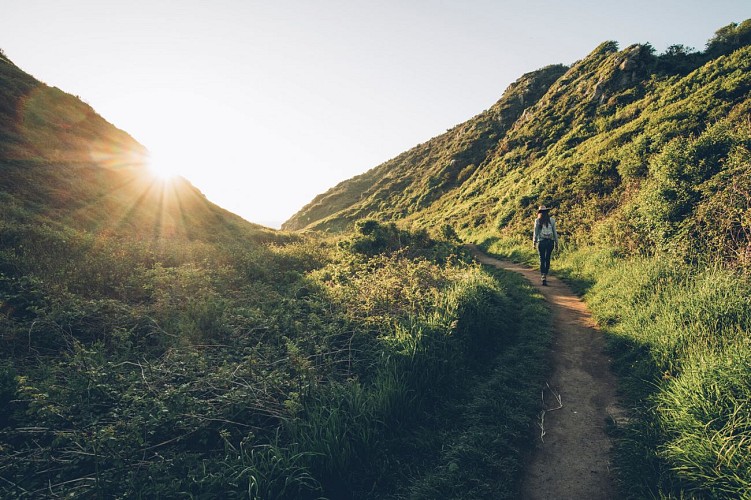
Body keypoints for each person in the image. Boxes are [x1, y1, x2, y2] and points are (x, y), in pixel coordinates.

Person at [532, 205, 558, 286]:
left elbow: (535, 232)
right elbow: (554, 232)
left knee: (542, 259)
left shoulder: (537, 221)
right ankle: (545, 272)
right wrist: (556, 243)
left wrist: (534, 242)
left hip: (541, 242)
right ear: (547, 212)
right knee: (548, 258)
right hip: (550, 242)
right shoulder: (552, 220)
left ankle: (543, 276)